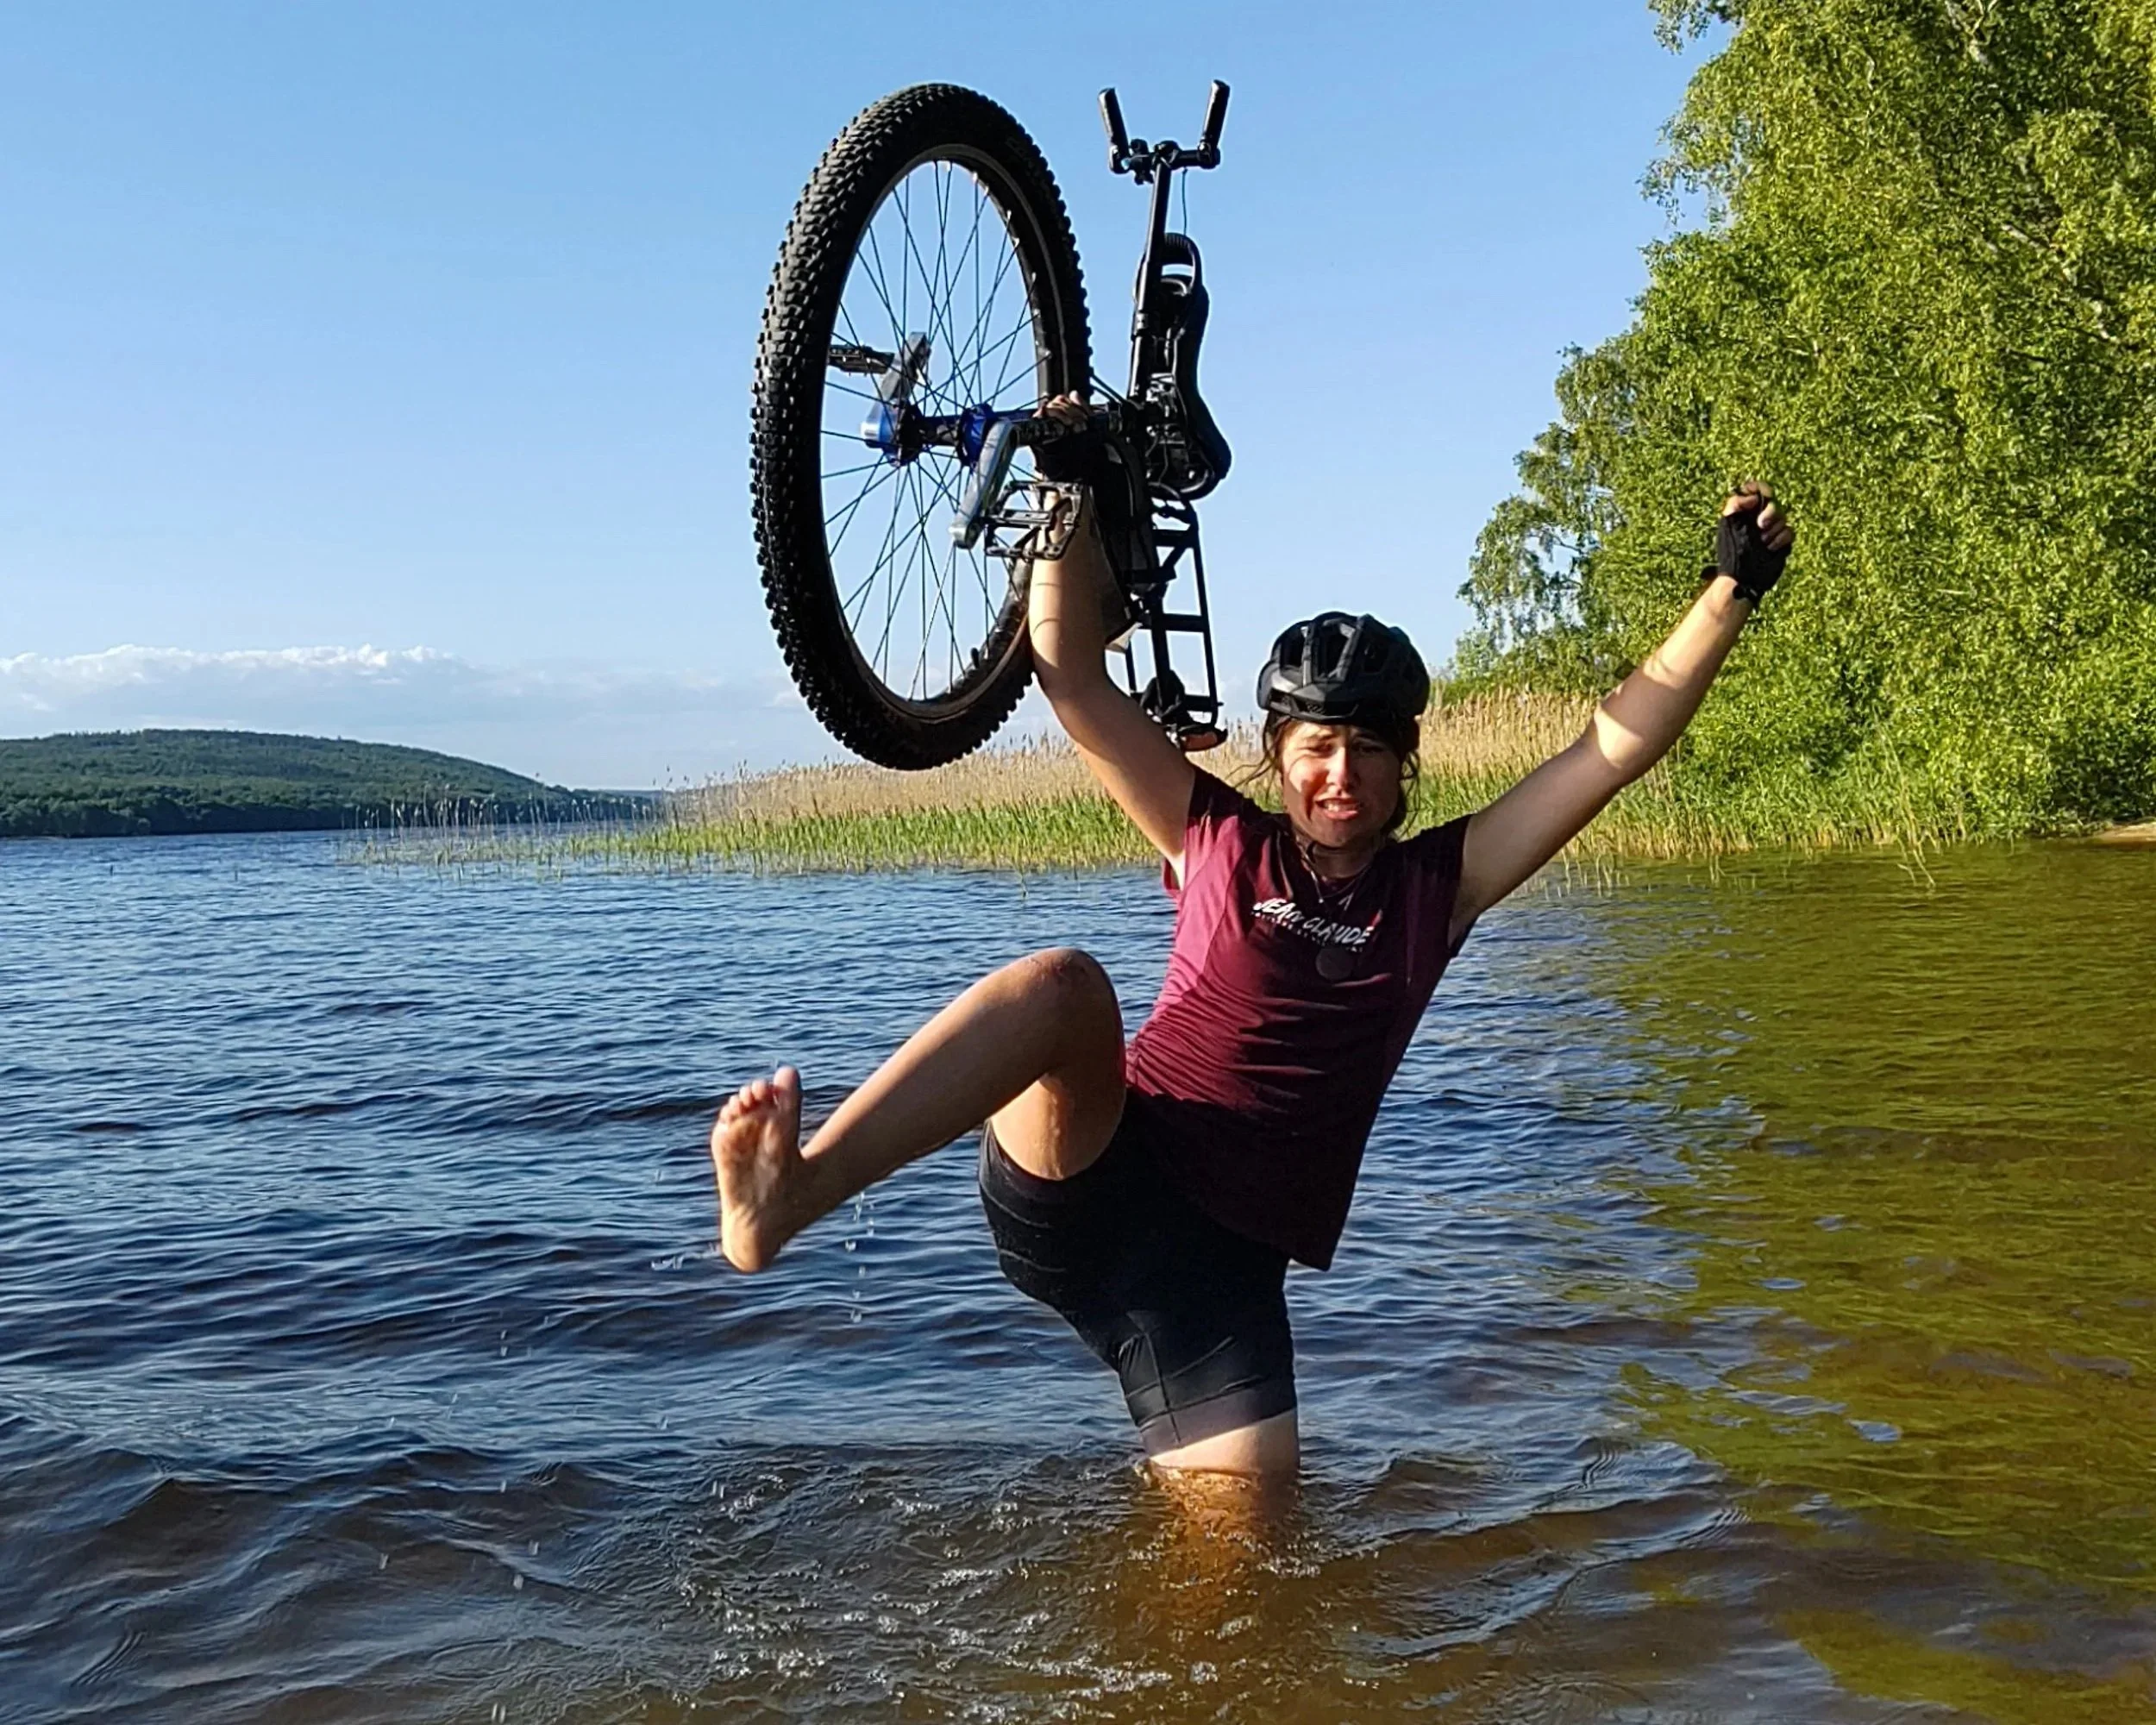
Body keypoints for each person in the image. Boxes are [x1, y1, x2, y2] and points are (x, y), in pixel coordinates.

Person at [711, 420, 1795, 1478]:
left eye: (1369, 749)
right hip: (1097, 1172)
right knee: (1064, 986)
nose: (1341, 774)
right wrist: (1066, 494)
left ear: (1407, 764)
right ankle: (796, 1192)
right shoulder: (1217, 836)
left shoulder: (1435, 887)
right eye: (1316, 747)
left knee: (1245, 1592)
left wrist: (1726, 591)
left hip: (1217, 1283)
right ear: (1277, 756)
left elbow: (1609, 750)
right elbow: (1075, 683)